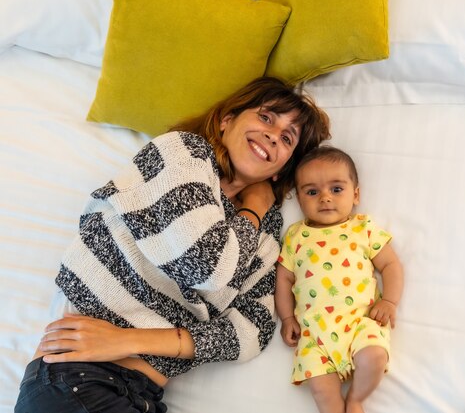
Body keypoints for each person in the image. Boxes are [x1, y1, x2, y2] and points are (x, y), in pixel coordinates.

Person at [14, 76, 331, 413]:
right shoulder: (182, 154)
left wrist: (130, 340)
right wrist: (253, 208)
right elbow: (204, 266)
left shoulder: (266, 236)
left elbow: (253, 331)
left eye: (286, 138)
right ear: (227, 121)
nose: (272, 134)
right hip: (77, 380)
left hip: (143, 395)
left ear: (281, 169)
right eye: (266, 117)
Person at [275, 146, 404, 413]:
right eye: (312, 192)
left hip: (360, 322)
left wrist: (390, 300)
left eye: (336, 189)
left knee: (375, 356)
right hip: (315, 336)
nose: (325, 198)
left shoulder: (362, 228)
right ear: (299, 200)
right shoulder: (295, 235)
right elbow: (284, 279)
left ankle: (357, 398)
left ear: (355, 194)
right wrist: (287, 317)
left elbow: (391, 264)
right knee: (322, 390)